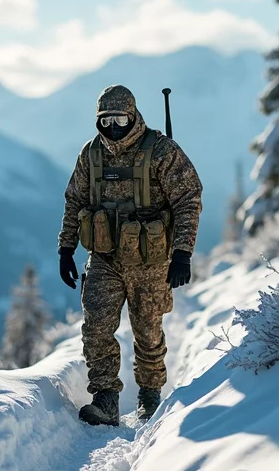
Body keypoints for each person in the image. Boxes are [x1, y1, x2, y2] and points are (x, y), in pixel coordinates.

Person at [57, 84, 203, 426]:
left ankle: (150, 397)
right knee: (96, 327)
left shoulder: (162, 151)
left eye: (120, 119)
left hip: (150, 262)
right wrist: (66, 248)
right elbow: (74, 201)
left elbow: (188, 198)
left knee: (148, 333)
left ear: (133, 115)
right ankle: (105, 398)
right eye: (106, 120)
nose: (113, 127)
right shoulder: (91, 155)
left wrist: (182, 253)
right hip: (104, 258)